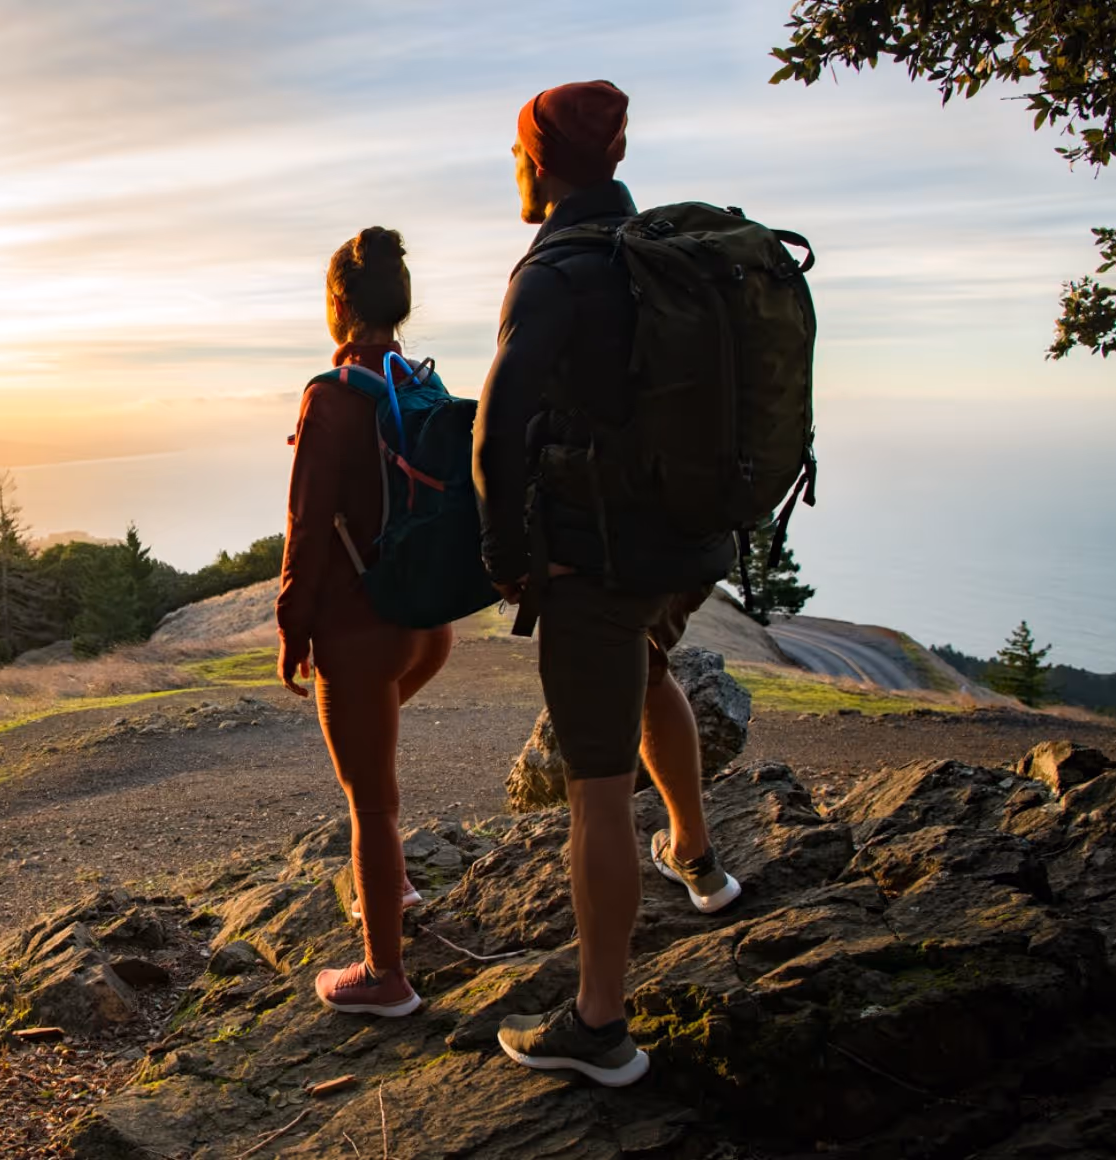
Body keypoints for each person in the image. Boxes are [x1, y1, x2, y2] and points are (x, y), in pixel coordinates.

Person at [472, 80, 744, 1086]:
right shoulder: (658, 258)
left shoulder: (553, 270)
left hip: (599, 558)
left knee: (593, 784)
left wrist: (507, 559)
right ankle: (699, 861)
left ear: (538, 162)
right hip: (687, 545)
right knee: (649, 672)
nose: (513, 169)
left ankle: (598, 1026)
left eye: (514, 155)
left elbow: (494, 430)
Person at [277, 226, 454, 1018]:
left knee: (370, 801)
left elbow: (306, 529)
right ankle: (396, 887)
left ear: (338, 304)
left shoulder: (332, 394)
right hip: (429, 623)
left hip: (361, 627)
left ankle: (386, 976)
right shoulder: (419, 382)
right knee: (374, 777)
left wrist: (292, 628)